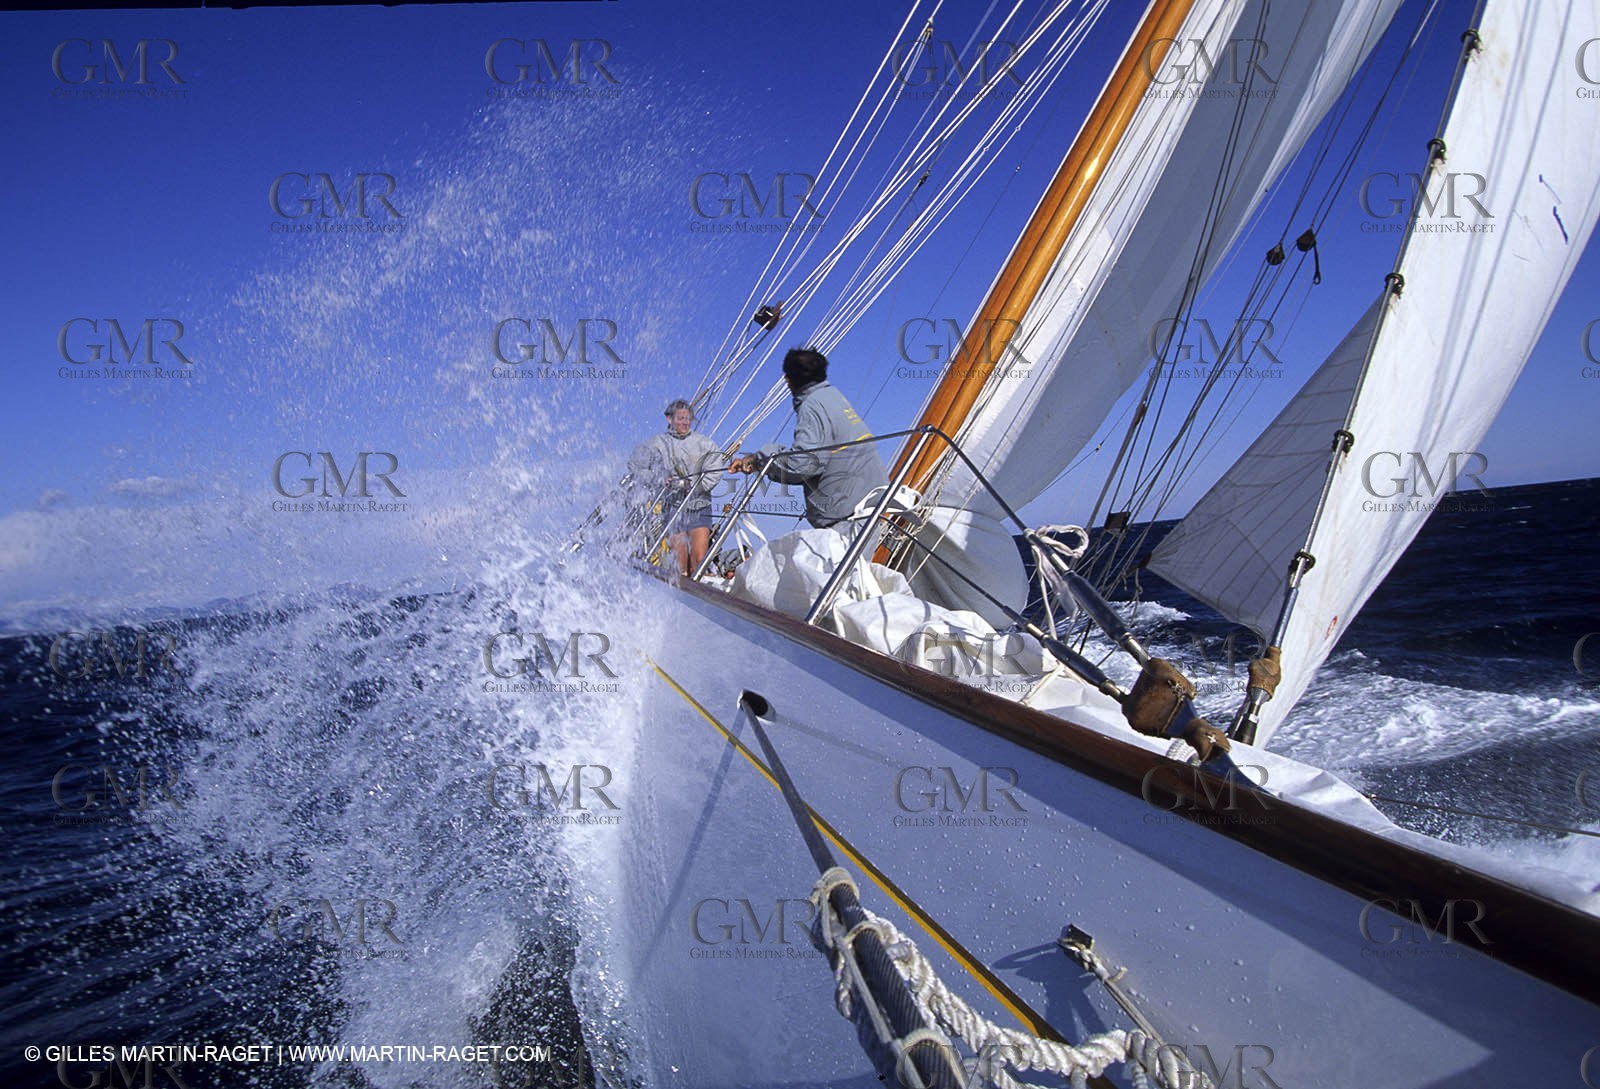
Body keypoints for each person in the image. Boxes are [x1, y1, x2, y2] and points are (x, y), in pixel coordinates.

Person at [730, 348, 888, 532]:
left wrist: (761, 459)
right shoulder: (833, 397)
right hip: (871, 505)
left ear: (788, 380)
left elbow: (804, 464)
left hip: (851, 517)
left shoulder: (811, 406)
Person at [629, 399, 725, 576]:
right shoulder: (656, 444)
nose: (685, 423)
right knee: (680, 564)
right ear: (669, 419)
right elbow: (635, 466)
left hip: (699, 506)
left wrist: (695, 485)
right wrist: (658, 479)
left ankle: (697, 589)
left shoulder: (705, 444)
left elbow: (715, 470)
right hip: (672, 507)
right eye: (680, 418)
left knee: (699, 560)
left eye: (688, 419)